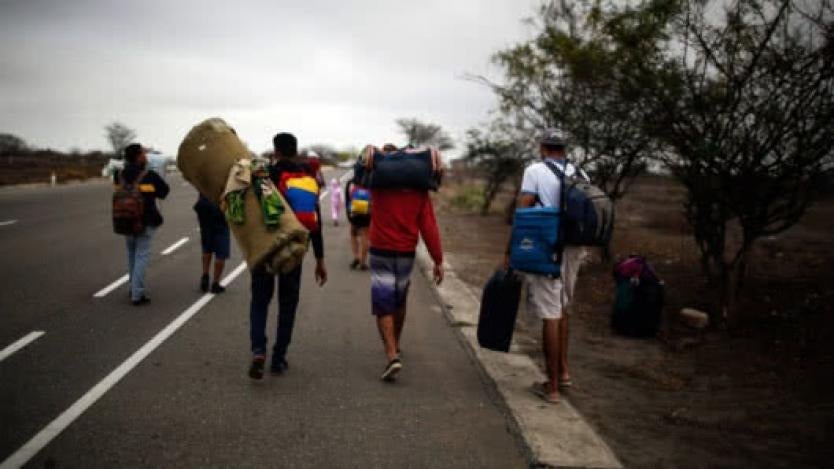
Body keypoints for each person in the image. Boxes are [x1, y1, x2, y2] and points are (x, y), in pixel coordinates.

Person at [509, 129, 589, 404]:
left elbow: (524, 212)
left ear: (543, 147)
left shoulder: (534, 171)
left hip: (548, 247)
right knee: (563, 306)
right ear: (564, 149)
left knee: (550, 314)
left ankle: (552, 386)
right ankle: (564, 372)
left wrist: (512, 250)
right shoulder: (580, 173)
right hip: (575, 248)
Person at [248, 132, 328, 379]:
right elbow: (315, 220)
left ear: (276, 151)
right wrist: (320, 259)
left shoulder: (265, 176)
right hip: (295, 248)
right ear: (295, 150)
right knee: (288, 304)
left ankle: (258, 351)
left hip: (266, 247)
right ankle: (279, 358)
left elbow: (251, 214)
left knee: (260, 301)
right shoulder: (307, 177)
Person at [368, 144, 444, 382]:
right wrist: (437, 259)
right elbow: (429, 226)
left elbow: (365, 167)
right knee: (399, 300)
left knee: (383, 303)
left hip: (380, 249)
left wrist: (378, 155)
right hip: (406, 252)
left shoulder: (378, 187)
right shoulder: (419, 193)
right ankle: (395, 347)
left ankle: (391, 355)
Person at [114, 143, 170, 306]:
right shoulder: (149, 175)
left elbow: (118, 190)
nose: (146, 156)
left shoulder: (119, 174)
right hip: (144, 221)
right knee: (142, 256)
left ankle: (133, 287)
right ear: (138, 156)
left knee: (131, 254)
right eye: (144, 153)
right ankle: (137, 294)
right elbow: (164, 192)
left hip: (124, 220)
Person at [194, 194, 230, 294]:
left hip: (204, 207)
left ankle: (205, 275)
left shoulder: (204, 178)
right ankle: (215, 283)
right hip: (219, 207)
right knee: (221, 250)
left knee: (207, 246)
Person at [345, 178, 371, 270]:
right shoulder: (371, 180)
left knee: (353, 234)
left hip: (355, 211)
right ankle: (363, 262)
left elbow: (347, 199)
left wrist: (349, 215)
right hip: (367, 212)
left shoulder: (351, 182)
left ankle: (356, 257)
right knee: (365, 235)